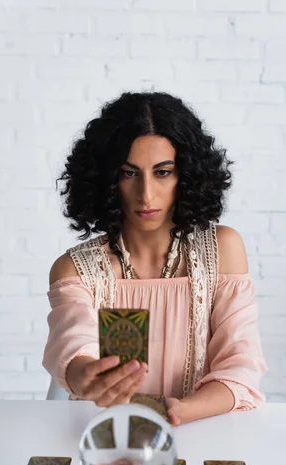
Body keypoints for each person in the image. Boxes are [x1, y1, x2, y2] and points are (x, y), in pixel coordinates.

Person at [42, 91, 267, 425]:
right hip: (106, 443)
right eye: (129, 173)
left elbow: (241, 365)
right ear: (106, 179)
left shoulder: (223, 250)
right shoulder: (76, 269)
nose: (146, 194)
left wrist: (181, 410)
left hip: (203, 431)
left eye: (162, 172)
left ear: (187, 175)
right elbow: (72, 343)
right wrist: (84, 374)